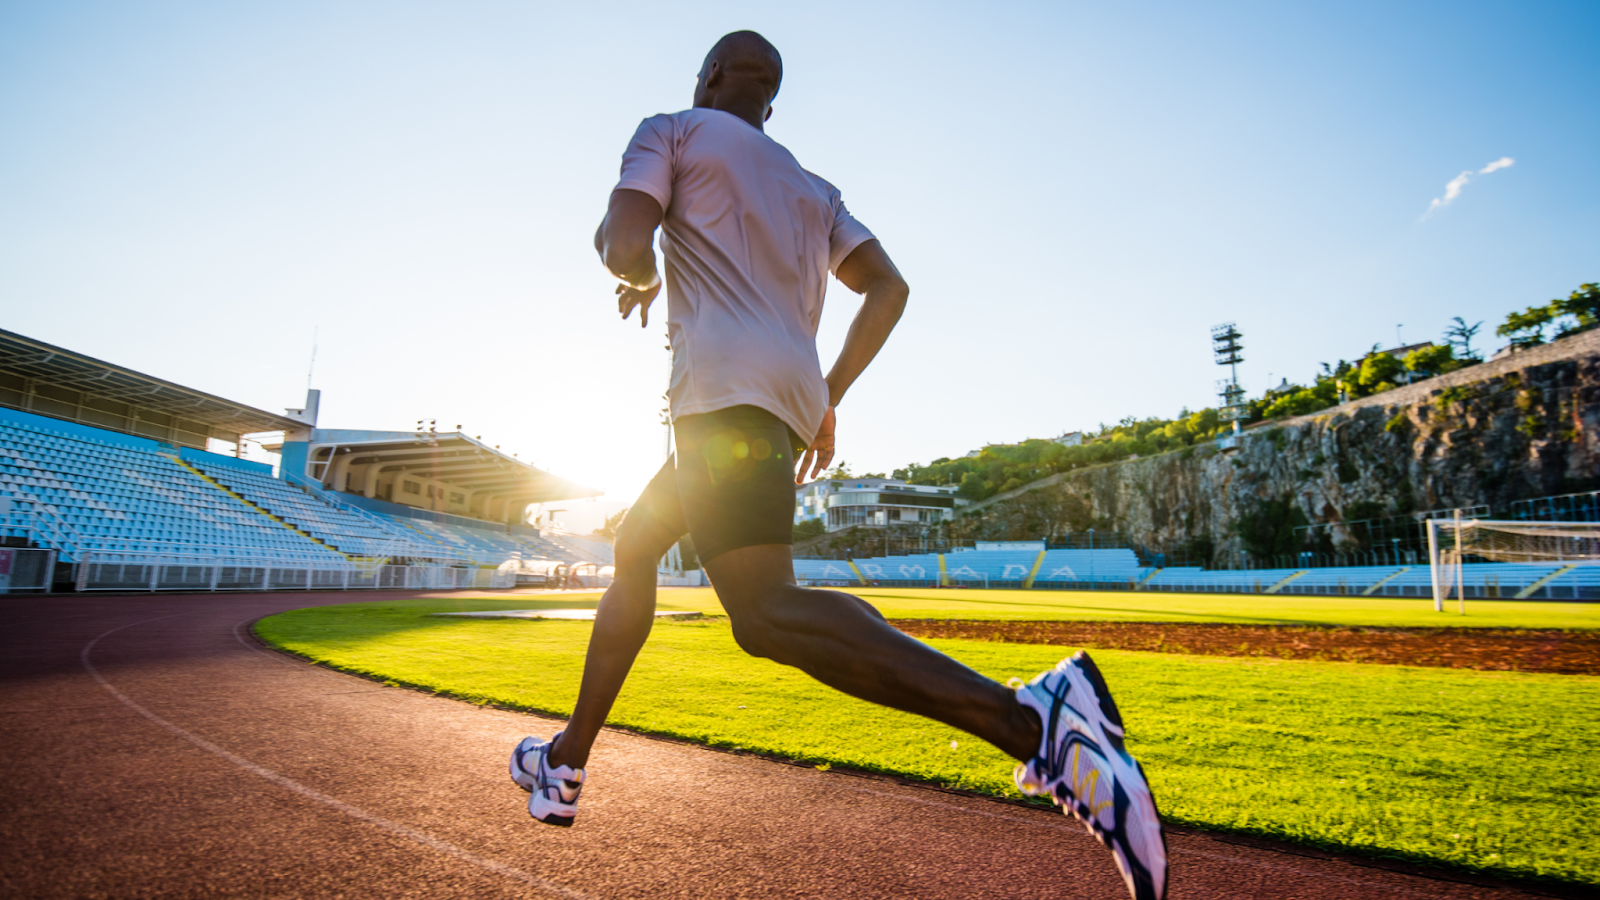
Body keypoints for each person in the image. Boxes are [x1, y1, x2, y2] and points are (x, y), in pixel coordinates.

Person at [508, 31, 1167, 900]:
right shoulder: (815, 190)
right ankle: (564, 763)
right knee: (636, 549)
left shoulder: (670, 130)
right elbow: (889, 288)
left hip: (720, 398)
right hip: (776, 405)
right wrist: (829, 393)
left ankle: (1036, 721)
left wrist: (633, 271)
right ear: (770, 102)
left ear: (707, 78)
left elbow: (622, 240)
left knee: (765, 614)